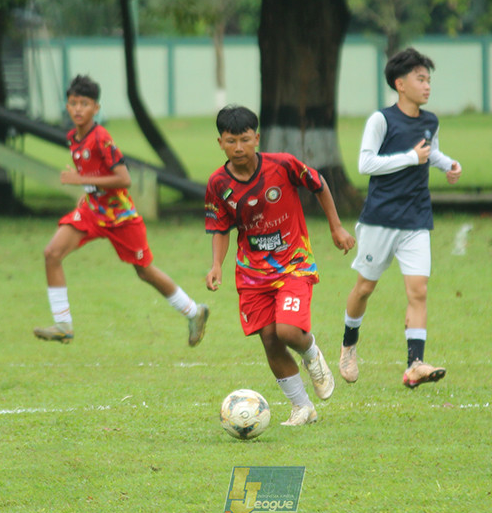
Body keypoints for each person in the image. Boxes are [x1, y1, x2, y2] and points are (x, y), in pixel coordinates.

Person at [204, 105, 355, 426]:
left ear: (257, 138)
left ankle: (312, 353)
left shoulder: (283, 165)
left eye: (245, 139)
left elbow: (319, 184)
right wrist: (216, 264)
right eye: (231, 141)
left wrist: (336, 227)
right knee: (270, 340)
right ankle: (302, 408)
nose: (239, 148)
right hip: (252, 273)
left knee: (288, 331)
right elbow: (219, 227)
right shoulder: (218, 184)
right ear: (220, 143)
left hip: (293, 263)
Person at [34, 74, 209, 346]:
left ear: (96, 108)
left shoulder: (101, 137)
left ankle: (194, 311)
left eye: (84, 103)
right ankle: (63, 324)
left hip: (121, 217)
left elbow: (123, 178)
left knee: (144, 271)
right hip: (93, 212)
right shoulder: (73, 138)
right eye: (73, 103)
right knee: (51, 253)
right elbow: (94, 174)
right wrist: (86, 193)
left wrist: (83, 181)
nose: (78, 109)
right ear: (66, 106)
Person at [339, 47, 462, 389]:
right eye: (420, 79)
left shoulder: (429, 121)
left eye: (429, 80)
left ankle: (415, 365)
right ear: (400, 83)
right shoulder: (382, 120)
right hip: (380, 218)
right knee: (364, 288)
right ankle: (349, 344)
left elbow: (430, 152)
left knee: (418, 291)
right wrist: (410, 157)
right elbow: (366, 164)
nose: (427, 86)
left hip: (416, 217)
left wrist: (448, 164)